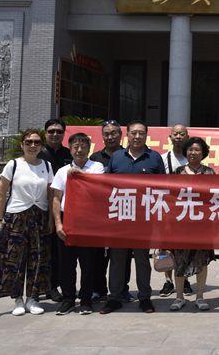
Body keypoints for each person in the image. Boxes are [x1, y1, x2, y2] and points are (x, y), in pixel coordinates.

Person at [100, 121, 166, 315]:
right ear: (127, 134)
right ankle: (114, 298)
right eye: (134, 133)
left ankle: (144, 298)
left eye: (141, 133)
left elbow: (164, 188)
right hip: (120, 217)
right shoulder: (117, 157)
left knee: (142, 260)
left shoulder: (154, 158)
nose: (137, 137)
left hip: (144, 218)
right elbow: (105, 186)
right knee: (117, 259)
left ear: (146, 135)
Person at [0, 129, 54, 316]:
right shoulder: (14, 164)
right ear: (22, 145)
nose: (32, 146)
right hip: (16, 216)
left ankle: (32, 298)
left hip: (39, 216)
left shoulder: (47, 166)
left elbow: (51, 195)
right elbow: (1, 192)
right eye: (28, 142)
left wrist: (50, 219)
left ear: (41, 146)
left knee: (38, 258)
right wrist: (1, 217)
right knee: (14, 259)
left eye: (36, 142)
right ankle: (17, 298)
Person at [50, 132, 104, 315]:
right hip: (67, 219)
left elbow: (98, 186)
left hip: (88, 221)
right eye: (75, 147)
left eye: (83, 146)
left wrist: (79, 174)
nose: (79, 150)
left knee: (88, 264)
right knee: (67, 264)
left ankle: (86, 300)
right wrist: (58, 224)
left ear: (89, 149)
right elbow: (56, 199)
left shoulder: (97, 167)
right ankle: (68, 299)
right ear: (70, 149)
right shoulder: (62, 171)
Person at [168, 136, 216, 312]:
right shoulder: (177, 172)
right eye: (190, 149)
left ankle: (200, 296)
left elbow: (215, 198)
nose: (193, 153)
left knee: (201, 261)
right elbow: (171, 198)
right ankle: (179, 297)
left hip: (203, 226)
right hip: (181, 225)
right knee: (179, 261)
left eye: (197, 150)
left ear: (203, 153)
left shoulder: (210, 173)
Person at [88, 119, 131, 303]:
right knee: (99, 255)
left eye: (114, 133)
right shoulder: (94, 158)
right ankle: (98, 289)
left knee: (123, 256)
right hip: (100, 214)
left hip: (122, 212)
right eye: (106, 134)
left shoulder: (128, 156)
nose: (110, 136)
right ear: (102, 136)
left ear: (121, 135)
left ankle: (123, 289)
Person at [38, 118, 72, 303]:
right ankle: (38, 287)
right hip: (40, 207)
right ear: (45, 133)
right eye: (51, 131)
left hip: (62, 208)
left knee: (57, 251)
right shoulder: (38, 154)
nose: (55, 134)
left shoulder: (69, 154)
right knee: (39, 250)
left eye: (59, 131)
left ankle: (53, 286)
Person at [159, 124, 192, 298]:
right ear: (170, 137)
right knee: (166, 246)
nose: (178, 137)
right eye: (175, 134)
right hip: (166, 208)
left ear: (187, 137)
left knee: (184, 245)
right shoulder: (162, 158)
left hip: (186, 208)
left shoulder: (192, 158)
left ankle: (184, 279)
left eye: (182, 134)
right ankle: (168, 281)